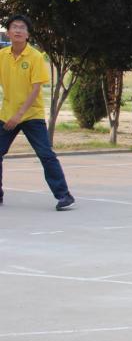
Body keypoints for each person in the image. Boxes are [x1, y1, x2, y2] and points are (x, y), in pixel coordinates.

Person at [0, 15, 75, 211]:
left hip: (31, 115)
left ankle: (64, 195)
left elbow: (35, 90)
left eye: (22, 27)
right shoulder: (2, 55)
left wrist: (19, 115)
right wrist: (12, 114)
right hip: (7, 114)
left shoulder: (35, 57)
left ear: (27, 34)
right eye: (14, 27)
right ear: (8, 32)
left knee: (45, 154)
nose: (18, 30)